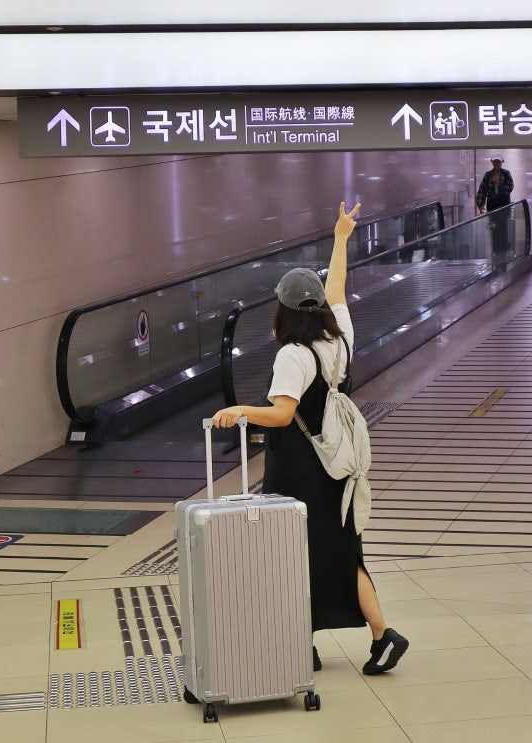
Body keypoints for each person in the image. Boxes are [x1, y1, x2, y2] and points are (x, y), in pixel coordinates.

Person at [212, 202, 409, 676]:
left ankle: (319, 640)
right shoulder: (338, 339)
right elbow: (337, 288)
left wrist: (241, 410)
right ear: (317, 306)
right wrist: (341, 238)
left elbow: (282, 415)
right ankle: (371, 636)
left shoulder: (293, 355)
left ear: (282, 311)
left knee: (290, 551)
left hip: (300, 468)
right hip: (335, 460)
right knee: (342, 551)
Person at [476, 155, 514, 259]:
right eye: (495, 162)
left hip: (504, 204)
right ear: (492, 163)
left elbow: (510, 186)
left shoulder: (506, 173)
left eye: (498, 162)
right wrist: (480, 204)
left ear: (502, 163)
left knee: (503, 227)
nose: (497, 164)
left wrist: (500, 186)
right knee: (494, 227)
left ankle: (504, 250)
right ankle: (496, 250)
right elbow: (482, 190)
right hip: (492, 204)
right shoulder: (488, 175)